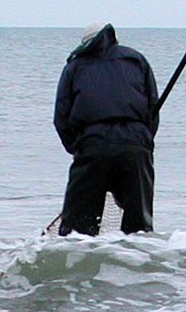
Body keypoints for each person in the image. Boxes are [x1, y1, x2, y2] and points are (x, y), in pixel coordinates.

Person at [53, 22, 160, 236]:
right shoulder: (136, 60)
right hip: (135, 147)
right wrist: (143, 141)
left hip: (92, 146)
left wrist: (78, 148)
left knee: (77, 232)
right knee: (139, 228)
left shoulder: (74, 67)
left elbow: (61, 118)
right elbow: (152, 109)